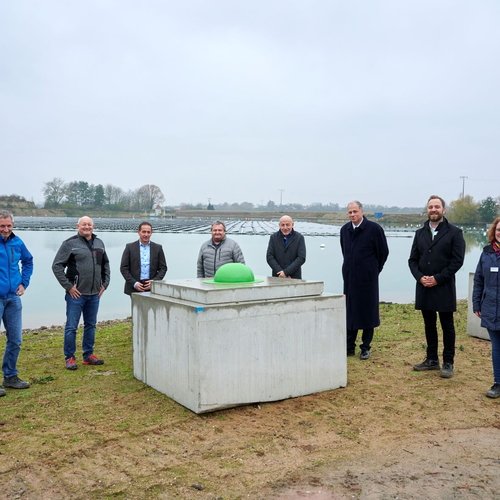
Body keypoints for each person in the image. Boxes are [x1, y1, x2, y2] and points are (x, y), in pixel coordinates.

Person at [408, 195, 465, 378]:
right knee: (429, 324)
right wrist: (419, 277)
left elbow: (457, 261)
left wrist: (438, 278)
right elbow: (412, 260)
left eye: (437, 207)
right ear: (427, 210)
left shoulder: (455, 233)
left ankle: (448, 362)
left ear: (443, 210)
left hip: (443, 286)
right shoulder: (419, 233)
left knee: (447, 325)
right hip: (424, 286)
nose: (433, 210)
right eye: (431, 207)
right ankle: (432, 359)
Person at [52, 216, 110, 370]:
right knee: (71, 326)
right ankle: (70, 357)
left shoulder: (99, 243)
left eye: (89, 224)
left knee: (91, 325)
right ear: (78, 226)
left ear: (93, 226)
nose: (87, 227)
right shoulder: (69, 244)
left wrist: (105, 284)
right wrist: (69, 287)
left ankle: (88, 355)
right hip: (76, 295)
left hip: (94, 294)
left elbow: (106, 265)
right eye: (84, 224)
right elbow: (57, 266)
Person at [340, 201, 389, 360]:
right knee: (350, 310)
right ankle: (349, 346)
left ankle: (365, 347)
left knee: (368, 312)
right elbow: (344, 251)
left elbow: (383, 252)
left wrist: (374, 269)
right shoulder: (344, 230)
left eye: (355, 211)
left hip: (368, 278)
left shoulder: (374, 230)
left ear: (362, 211)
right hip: (349, 277)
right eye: (350, 212)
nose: (352, 215)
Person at [0, 210, 33, 396]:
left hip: (13, 298)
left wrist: (24, 283)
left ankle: (10, 376)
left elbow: (28, 261)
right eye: (2, 226)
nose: (5, 229)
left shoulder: (17, 242)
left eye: (8, 226)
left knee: (16, 340)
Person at [472, 217, 500, 398]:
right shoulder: (486, 253)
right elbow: (479, 280)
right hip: (490, 308)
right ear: (494, 231)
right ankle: (498, 382)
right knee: (496, 347)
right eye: (498, 230)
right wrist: (476, 303)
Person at [120, 222, 168, 295]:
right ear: (139, 232)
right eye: (144, 232)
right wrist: (134, 283)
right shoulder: (129, 247)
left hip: (151, 286)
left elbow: (163, 268)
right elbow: (123, 268)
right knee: (136, 307)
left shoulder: (158, 248)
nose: (146, 234)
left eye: (148, 232)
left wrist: (154, 282)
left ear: (151, 233)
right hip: (134, 286)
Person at [266, 215, 306, 279]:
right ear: (279, 225)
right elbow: (269, 257)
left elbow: (301, 258)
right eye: (282, 225)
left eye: (287, 225)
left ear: (292, 225)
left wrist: (286, 272)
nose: (285, 227)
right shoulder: (273, 237)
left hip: (294, 277)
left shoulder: (299, 238)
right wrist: (280, 272)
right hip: (277, 276)